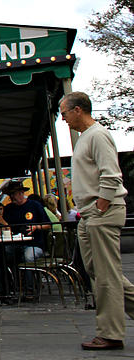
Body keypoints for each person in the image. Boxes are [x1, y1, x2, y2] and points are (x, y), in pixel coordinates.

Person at [60, 91, 134, 351]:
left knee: (105, 275)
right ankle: (111, 330)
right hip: (90, 213)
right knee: (101, 272)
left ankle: (110, 333)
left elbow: (111, 174)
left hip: (100, 211)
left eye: (65, 113)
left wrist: (101, 203)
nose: (63, 118)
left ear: (78, 110)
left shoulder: (97, 135)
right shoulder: (84, 138)